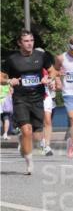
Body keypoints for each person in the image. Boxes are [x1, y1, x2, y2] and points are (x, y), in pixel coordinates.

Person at [1, 30, 55, 175]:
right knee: (27, 130)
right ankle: (29, 162)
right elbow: (1, 77)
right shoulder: (12, 59)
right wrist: (8, 81)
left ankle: (22, 140)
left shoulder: (41, 56)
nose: (30, 43)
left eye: (31, 40)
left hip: (38, 98)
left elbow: (52, 71)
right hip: (20, 99)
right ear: (19, 43)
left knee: (36, 136)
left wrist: (49, 79)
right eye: (26, 41)